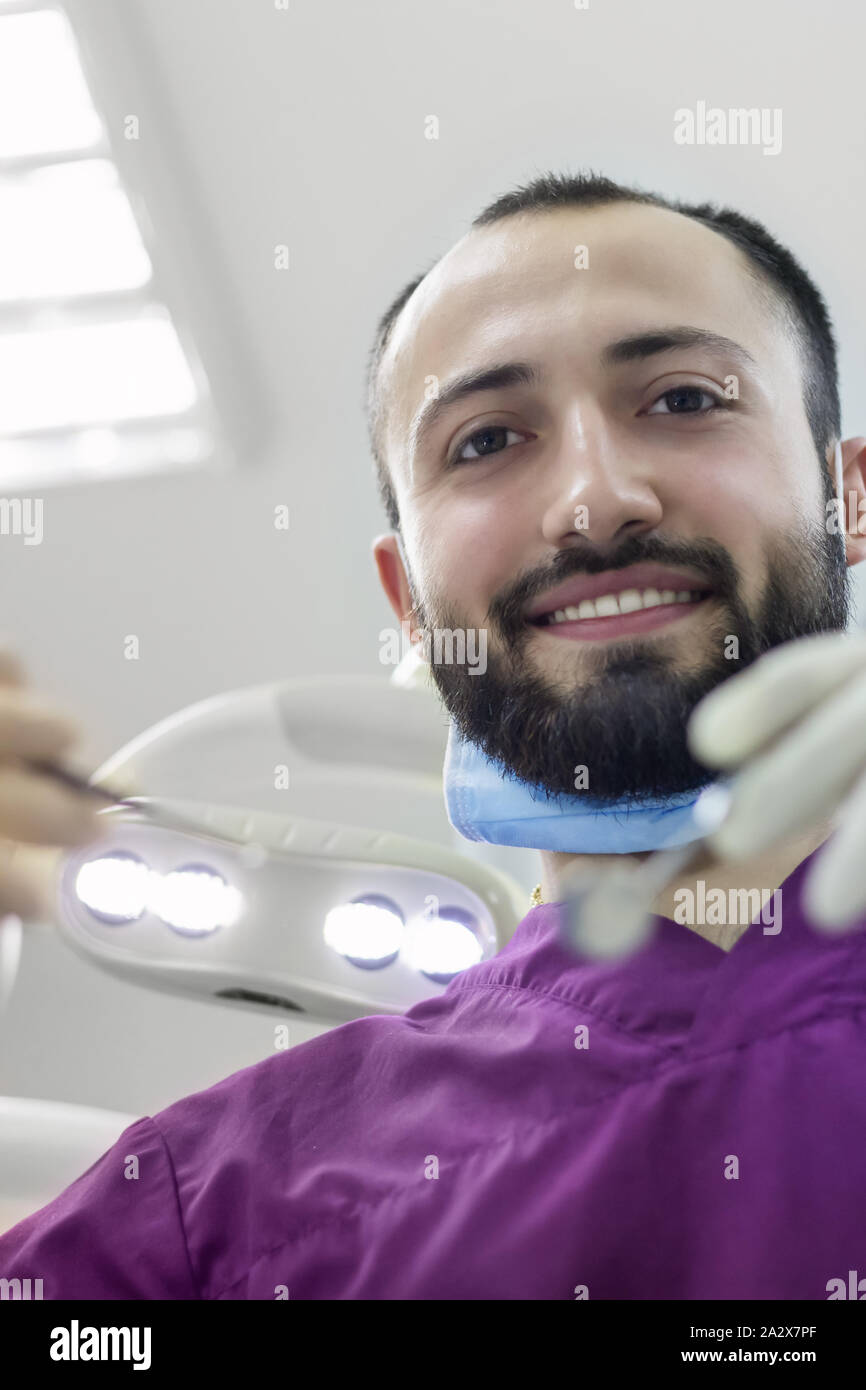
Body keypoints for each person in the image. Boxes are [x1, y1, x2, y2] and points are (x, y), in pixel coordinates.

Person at [2, 171, 866, 1300]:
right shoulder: (208, 1218)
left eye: (684, 399)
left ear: (847, 498)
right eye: (488, 438)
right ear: (406, 598)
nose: (595, 500)